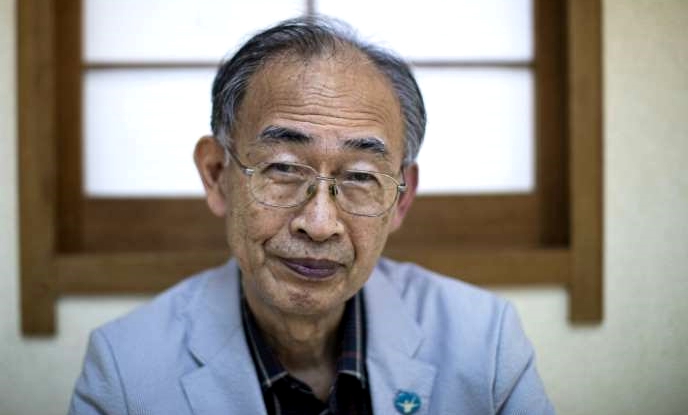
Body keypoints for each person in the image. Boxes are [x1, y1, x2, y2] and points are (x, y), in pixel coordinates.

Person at [69, 16, 554, 415]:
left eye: (362, 177)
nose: (320, 224)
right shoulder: (125, 373)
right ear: (217, 175)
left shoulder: (485, 344)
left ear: (402, 200)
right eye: (282, 168)